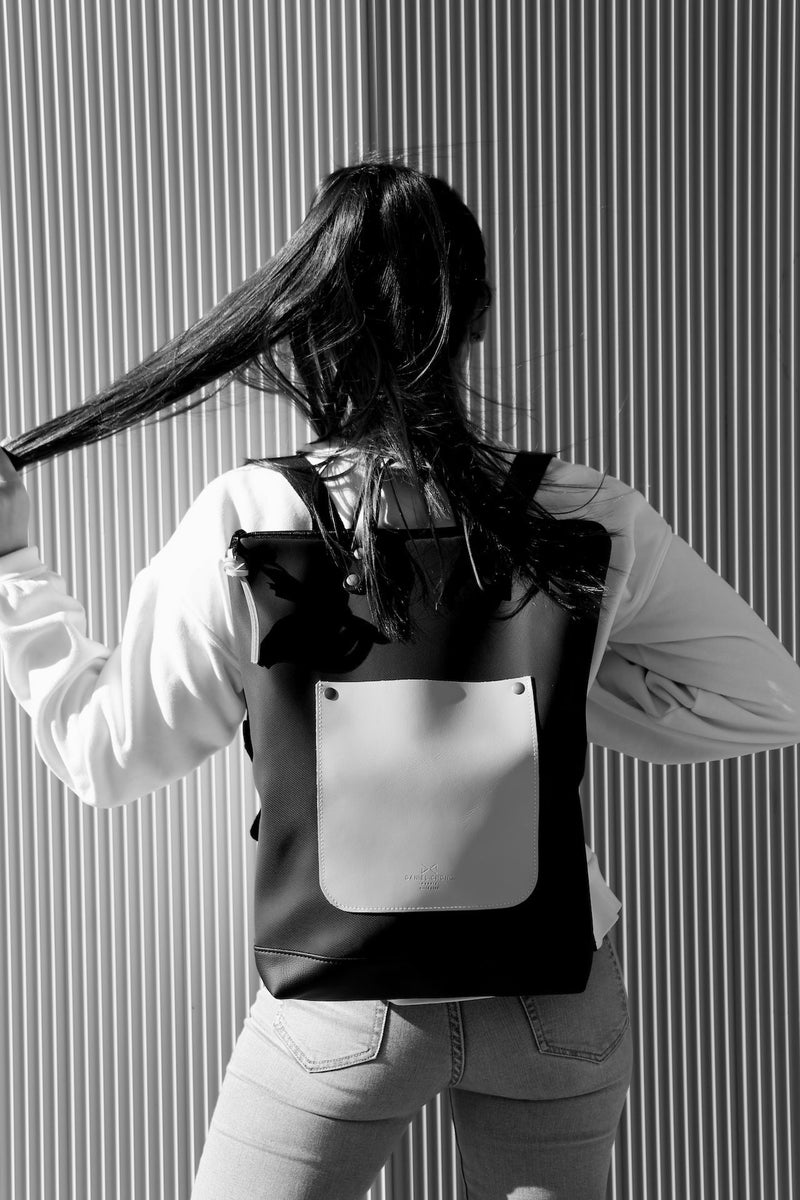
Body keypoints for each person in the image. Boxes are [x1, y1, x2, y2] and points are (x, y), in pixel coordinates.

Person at [1, 157, 799, 1200]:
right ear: (478, 317)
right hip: (552, 993)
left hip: (345, 995)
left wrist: (13, 568)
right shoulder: (585, 511)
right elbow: (764, 699)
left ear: (300, 321)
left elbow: (106, 756)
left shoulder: (249, 516)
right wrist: (545, 694)